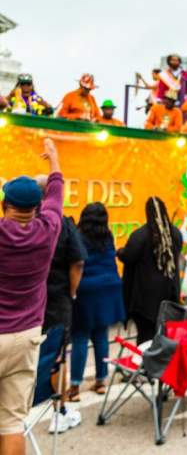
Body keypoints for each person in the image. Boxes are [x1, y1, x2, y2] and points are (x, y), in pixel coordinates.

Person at [0, 138, 62, 455]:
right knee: (12, 423)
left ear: (4, 206)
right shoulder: (48, 230)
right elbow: (56, 192)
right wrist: (53, 159)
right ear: (36, 209)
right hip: (26, 337)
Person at [67, 203, 125, 401]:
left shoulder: (78, 235)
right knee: (101, 335)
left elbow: (76, 262)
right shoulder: (107, 236)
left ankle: (74, 387)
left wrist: (72, 291)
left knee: (80, 337)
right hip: (109, 287)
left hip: (86, 289)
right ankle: (101, 381)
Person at [40, 213, 87, 432]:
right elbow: (77, 261)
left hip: (20, 302)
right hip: (56, 300)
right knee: (57, 354)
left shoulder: (11, 224)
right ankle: (59, 412)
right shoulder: (62, 223)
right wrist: (72, 292)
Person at [118, 197, 182, 345]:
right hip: (169, 295)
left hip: (145, 300)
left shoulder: (140, 235)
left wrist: (119, 252)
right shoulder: (175, 234)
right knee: (164, 335)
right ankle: (161, 365)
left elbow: (129, 256)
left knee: (145, 338)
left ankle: (146, 366)